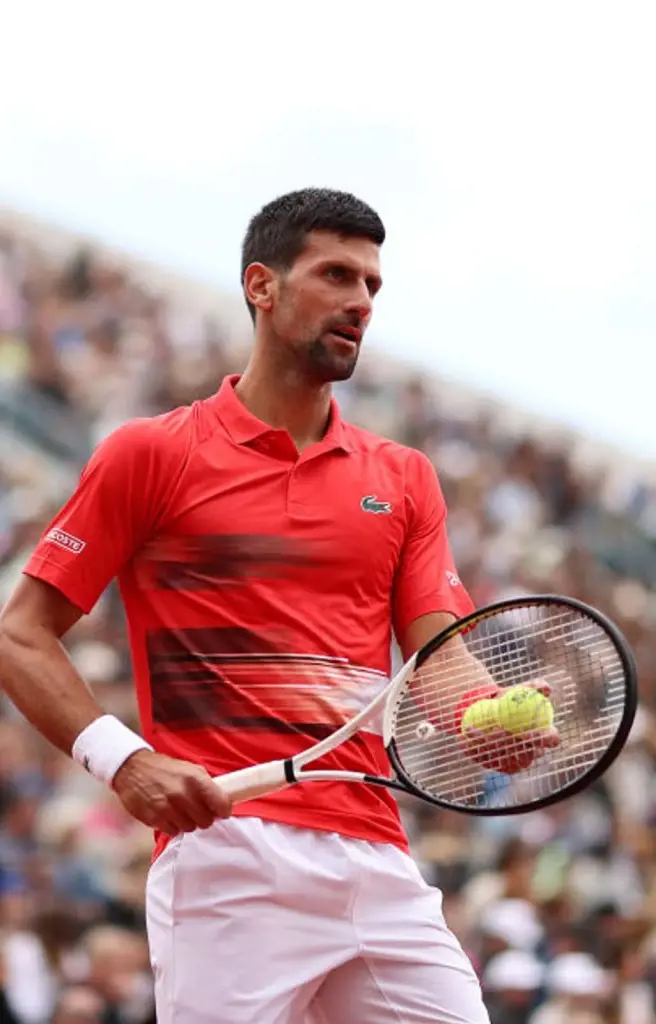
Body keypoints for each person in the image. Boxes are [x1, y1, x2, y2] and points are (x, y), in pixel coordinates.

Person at [0, 189, 555, 1023]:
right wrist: (125, 762)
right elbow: (21, 635)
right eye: (336, 275)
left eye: (372, 284)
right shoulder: (152, 453)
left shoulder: (404, 478)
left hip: (376, 856)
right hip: (227, 858)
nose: (361, 302)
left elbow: (437, 658)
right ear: (261, 285)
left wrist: (485, 719)